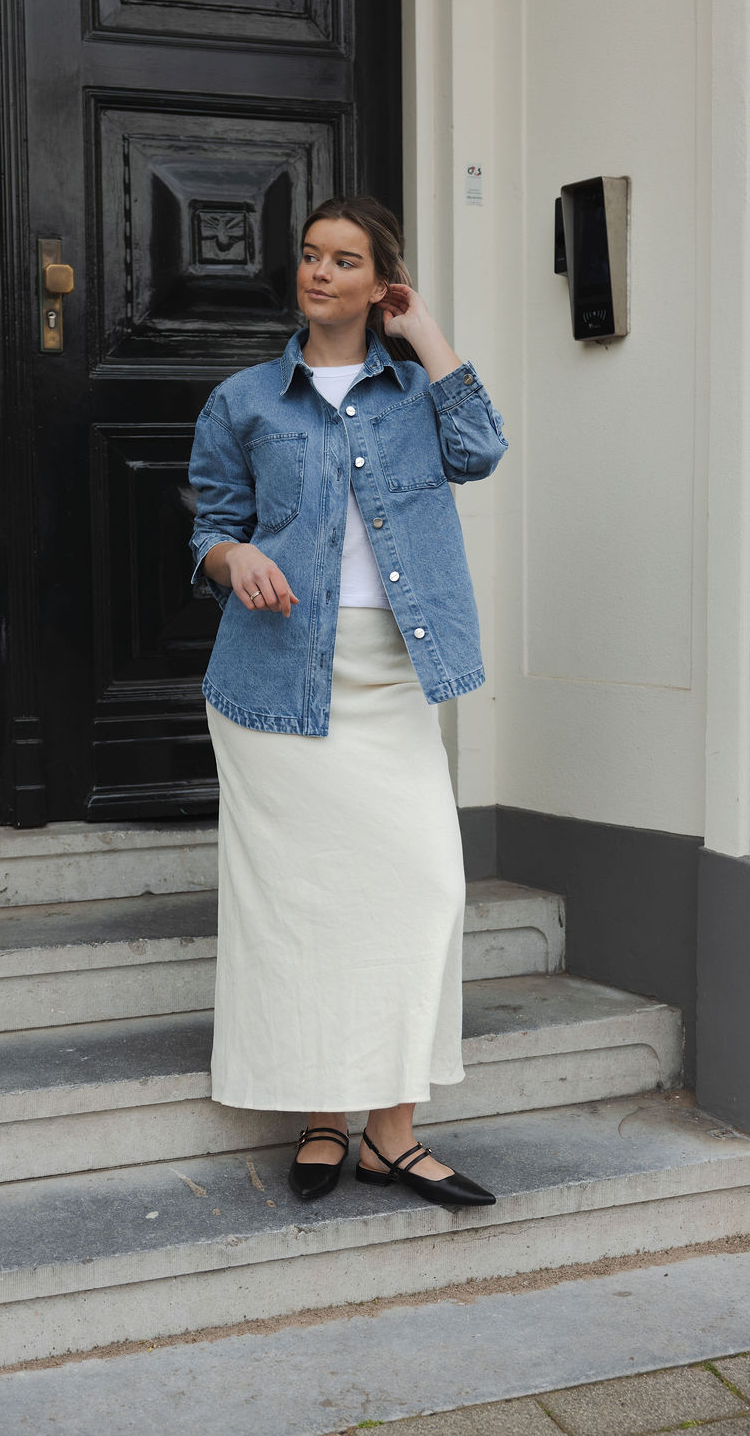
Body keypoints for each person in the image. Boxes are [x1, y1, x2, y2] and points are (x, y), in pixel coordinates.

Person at [187, 195, 508, 1207]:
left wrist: (426, 332)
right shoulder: (245, 398)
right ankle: (325, 1117)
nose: (319, 272)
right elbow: (210, 527)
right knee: (302, 908)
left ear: (380, 282)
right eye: (310, 255)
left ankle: (392, 1132)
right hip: (275, 685)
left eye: (344, 259)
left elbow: (482, 447)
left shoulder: (417, 392)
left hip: (391, 676)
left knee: (425, 886)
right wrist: (235, 558)